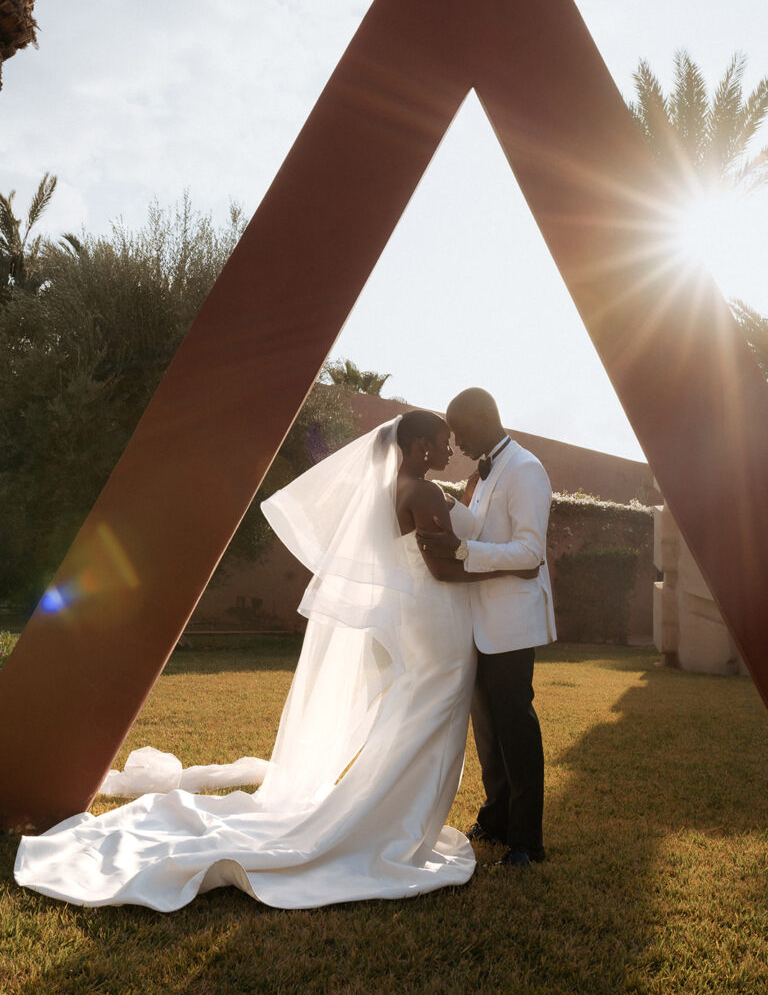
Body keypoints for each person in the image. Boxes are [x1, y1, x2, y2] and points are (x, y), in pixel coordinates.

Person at [14, 412, 536, 911]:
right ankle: (392, 826)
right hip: (440, 621)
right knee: (432, 717)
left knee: (415, 715)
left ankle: (391, 813)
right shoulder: (422, 491)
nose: (448, 448)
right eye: (442, 440)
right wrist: (507, 571)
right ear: (421, 445)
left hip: (421, 621)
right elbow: (443, 572)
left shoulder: (393, 489)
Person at [417, 388, 555, 867]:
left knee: (516, 729)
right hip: (476, 623)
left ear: (484, 416)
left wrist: (461, 552)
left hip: (511, 624)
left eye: (461, 428)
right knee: (488, 730)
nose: (456, 439)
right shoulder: (485, 473)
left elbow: (529, 554)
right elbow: (478, 527)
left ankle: (527, 840)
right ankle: (496, 819)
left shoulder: (527, 469)